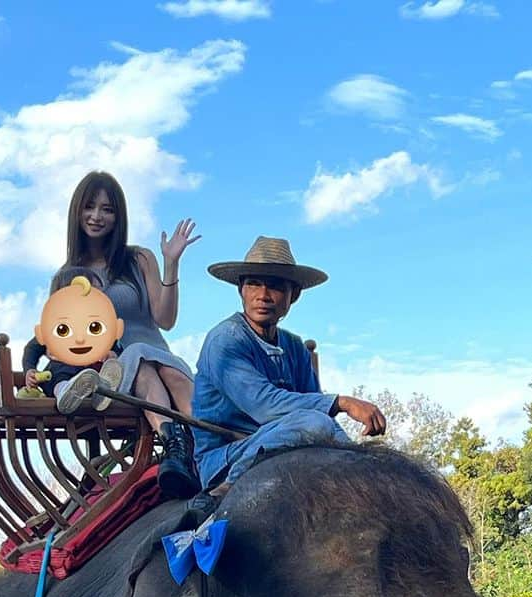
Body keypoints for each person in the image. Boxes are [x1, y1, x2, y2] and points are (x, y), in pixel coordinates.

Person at [22, 170, 200, 497]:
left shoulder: (138, 259)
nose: (97, 216)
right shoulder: (66, 277)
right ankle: (175, 443)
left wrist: (171, 264)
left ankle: (206, 444)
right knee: (139, 363)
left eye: (107, 209)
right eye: (90, 207)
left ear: (119, 216)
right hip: (110, 369)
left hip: (156, 354)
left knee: (168, 371)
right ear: (77, 212)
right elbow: (57, 338)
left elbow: (165, 319)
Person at [191, 236, 386, 494]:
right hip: (227, 457)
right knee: (313, 425)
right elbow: (265, 406)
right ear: (241, 290)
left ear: (293, 295)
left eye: (274, 286)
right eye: (254, 284)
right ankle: (229, 488)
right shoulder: (224, 340)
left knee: (360, 460)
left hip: (288, 447)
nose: (263, 296)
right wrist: (343, 403)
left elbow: (317, 411)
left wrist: (353, 455)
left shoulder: (294, 346)